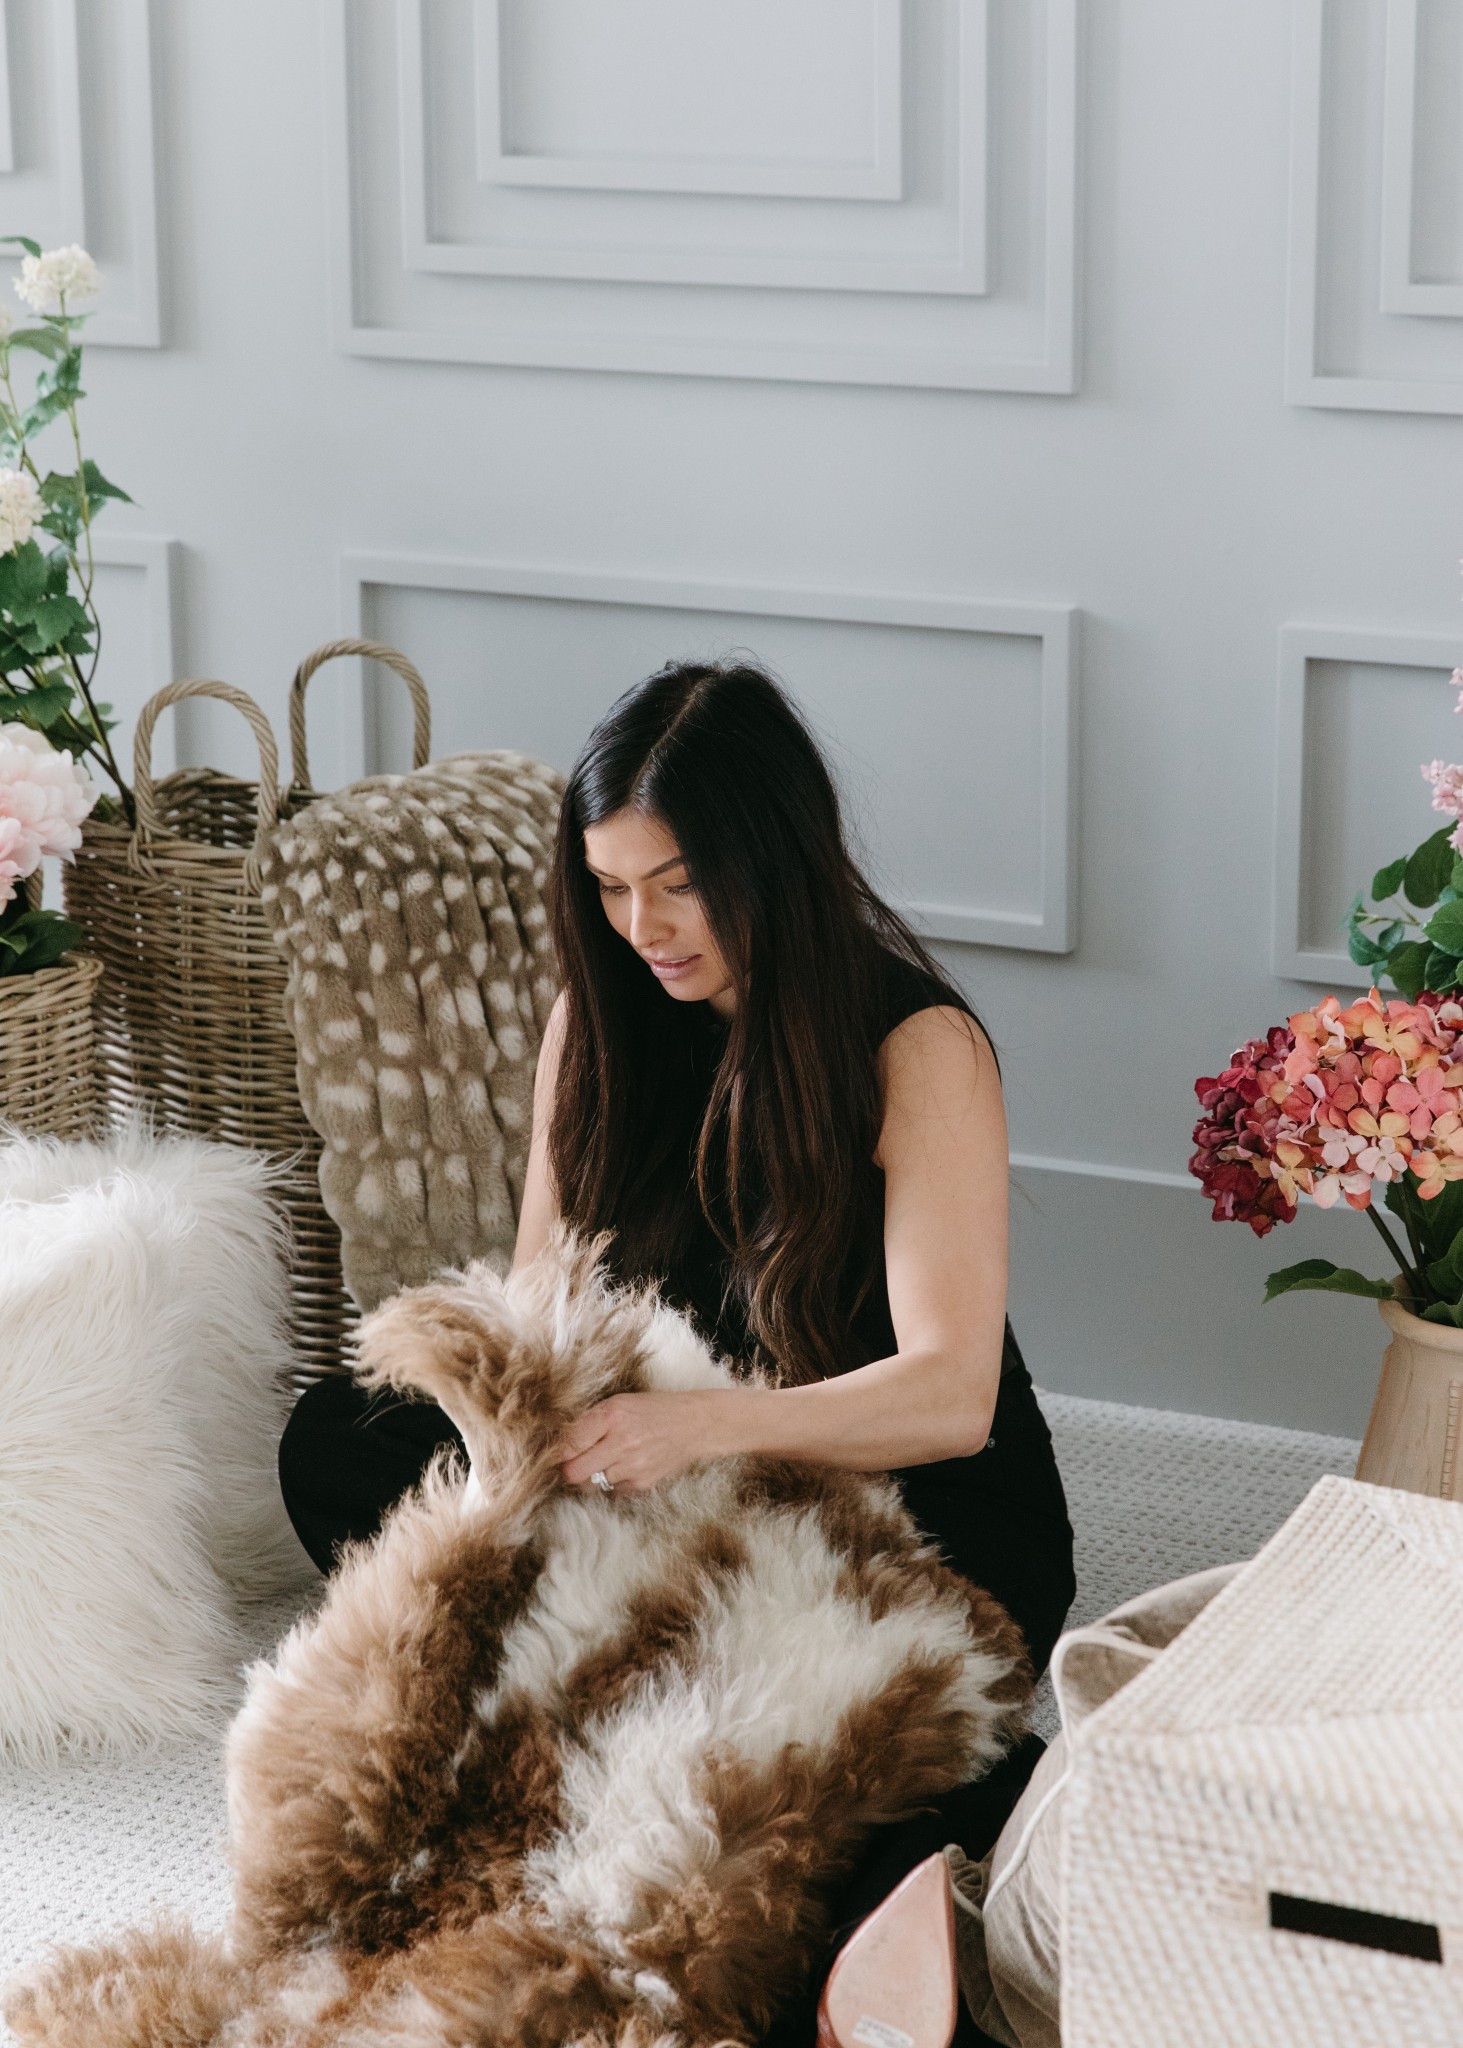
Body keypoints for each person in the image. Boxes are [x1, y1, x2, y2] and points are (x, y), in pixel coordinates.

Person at [277, 660, 1076, 2044]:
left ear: (771, 857)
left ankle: (927, 1874)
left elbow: (950, 1397)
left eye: (679, 884)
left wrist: (703, 1433)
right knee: (339, 1444)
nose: (641, 923)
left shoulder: (917, 1046)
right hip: (672, 1474)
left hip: (899, 1491)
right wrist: (516, 1443)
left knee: (815, 1733)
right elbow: (545, 1298)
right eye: (609, 885)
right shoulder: (599, 1019)